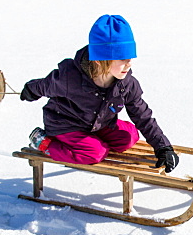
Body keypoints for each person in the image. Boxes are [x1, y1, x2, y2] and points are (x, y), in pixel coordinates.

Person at [20, 14, 178, 173]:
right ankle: (45, 144)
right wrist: (30, 90)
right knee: (95, 152)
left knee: (129, 135)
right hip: (66, 125)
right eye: (122, 58)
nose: (129, 63)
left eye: (130, 57)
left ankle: (93, 139)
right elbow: (45, 85)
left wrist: (163, 147)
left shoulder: (126, 84)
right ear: (99, 59)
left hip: (98, 124)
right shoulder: (70, 78)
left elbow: (142, 116)